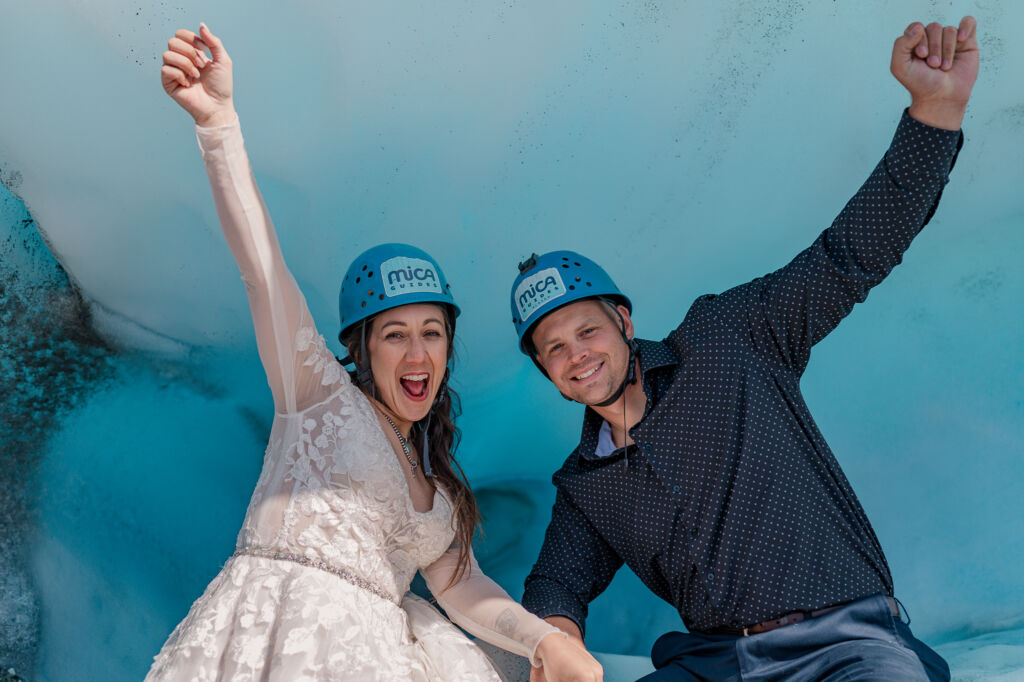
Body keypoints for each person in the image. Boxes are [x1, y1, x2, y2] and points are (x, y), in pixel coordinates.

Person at [508, 16, 979, 682]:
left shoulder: (728, 341)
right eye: (553, 349)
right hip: (719, 664)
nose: (576, 355)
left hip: (849, 640)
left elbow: (848, 257)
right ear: (543, 371)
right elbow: (557, 580)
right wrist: (554, 637)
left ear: (622, 318)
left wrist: (935, 112)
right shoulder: (586, 486)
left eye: (586, 330)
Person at [149, 23, 603, 682]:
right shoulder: (316, 396)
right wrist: (219, 124)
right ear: (361, 350)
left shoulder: (440, 482)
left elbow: (465, 589)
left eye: (432, 332)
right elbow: (262, 269)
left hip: (382, 653)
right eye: (395, 334)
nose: (417, 351)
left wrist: (544, 643)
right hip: (281, 634)